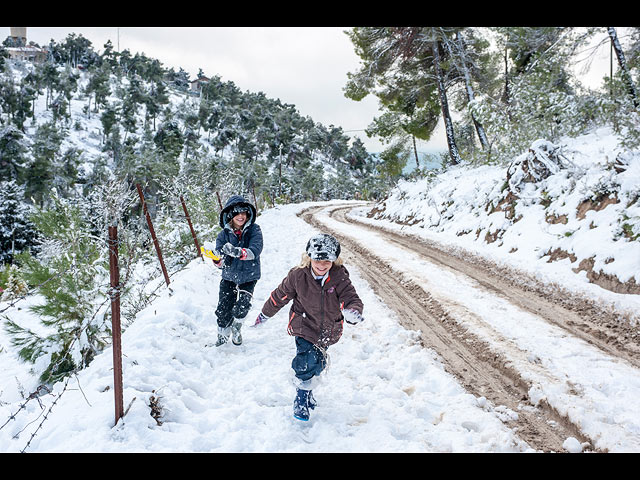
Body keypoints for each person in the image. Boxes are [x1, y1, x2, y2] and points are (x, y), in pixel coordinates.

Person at [253, 233, 364, 421]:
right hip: (304, 324)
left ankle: (309, 391)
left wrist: (353, 312)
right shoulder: (298, 276)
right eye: (317, 261)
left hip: (329, 328)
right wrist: (265, 314)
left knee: (318, 363)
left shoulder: (339, 277)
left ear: (334, 261)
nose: (322, 266)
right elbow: (279, 296)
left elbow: (351, 297)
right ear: (309, 257)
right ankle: (301, 399)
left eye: (327, 262)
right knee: (305, 360)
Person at [208, 195, 263, 347]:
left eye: (244, 213)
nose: (241, 216)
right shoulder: (223, 235)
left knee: (242, 305)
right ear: (230, 215)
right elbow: (222, 259)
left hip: (249, 275)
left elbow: (255, 250)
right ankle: (222, 335)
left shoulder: (254, 230)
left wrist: (238, 252)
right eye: (237, 213)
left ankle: (237, 327)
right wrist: (218, 260)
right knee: (223, 307)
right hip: (229, 276)